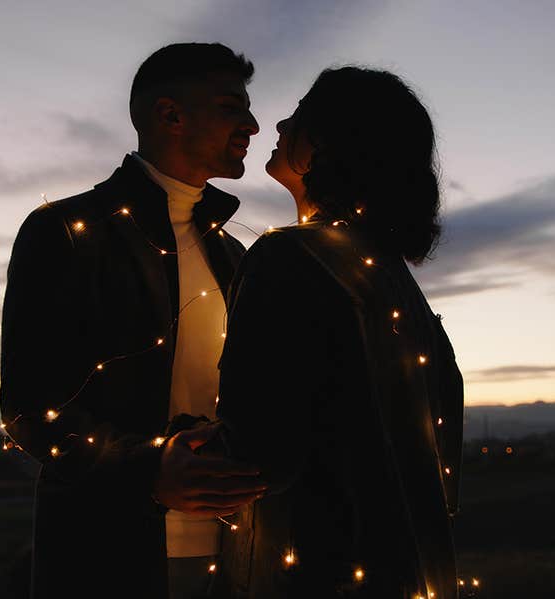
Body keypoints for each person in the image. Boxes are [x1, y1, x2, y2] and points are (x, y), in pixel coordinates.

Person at [0, 43, 267, 598]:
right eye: (230, 107)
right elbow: (30, 407)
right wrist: (149, 468)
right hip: (107, 556)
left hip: (232, 558)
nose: (253, 123)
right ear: (169, 116)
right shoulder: (69, 231)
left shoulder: (233, 256)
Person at [210, 67, 465, 598]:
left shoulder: (289, 257)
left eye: (298, 115)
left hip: (307, 576)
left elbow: (257, 454)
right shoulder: (392, 279)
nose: (278, 124)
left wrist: (170, 448)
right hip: (406, 573)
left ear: (324, 143)